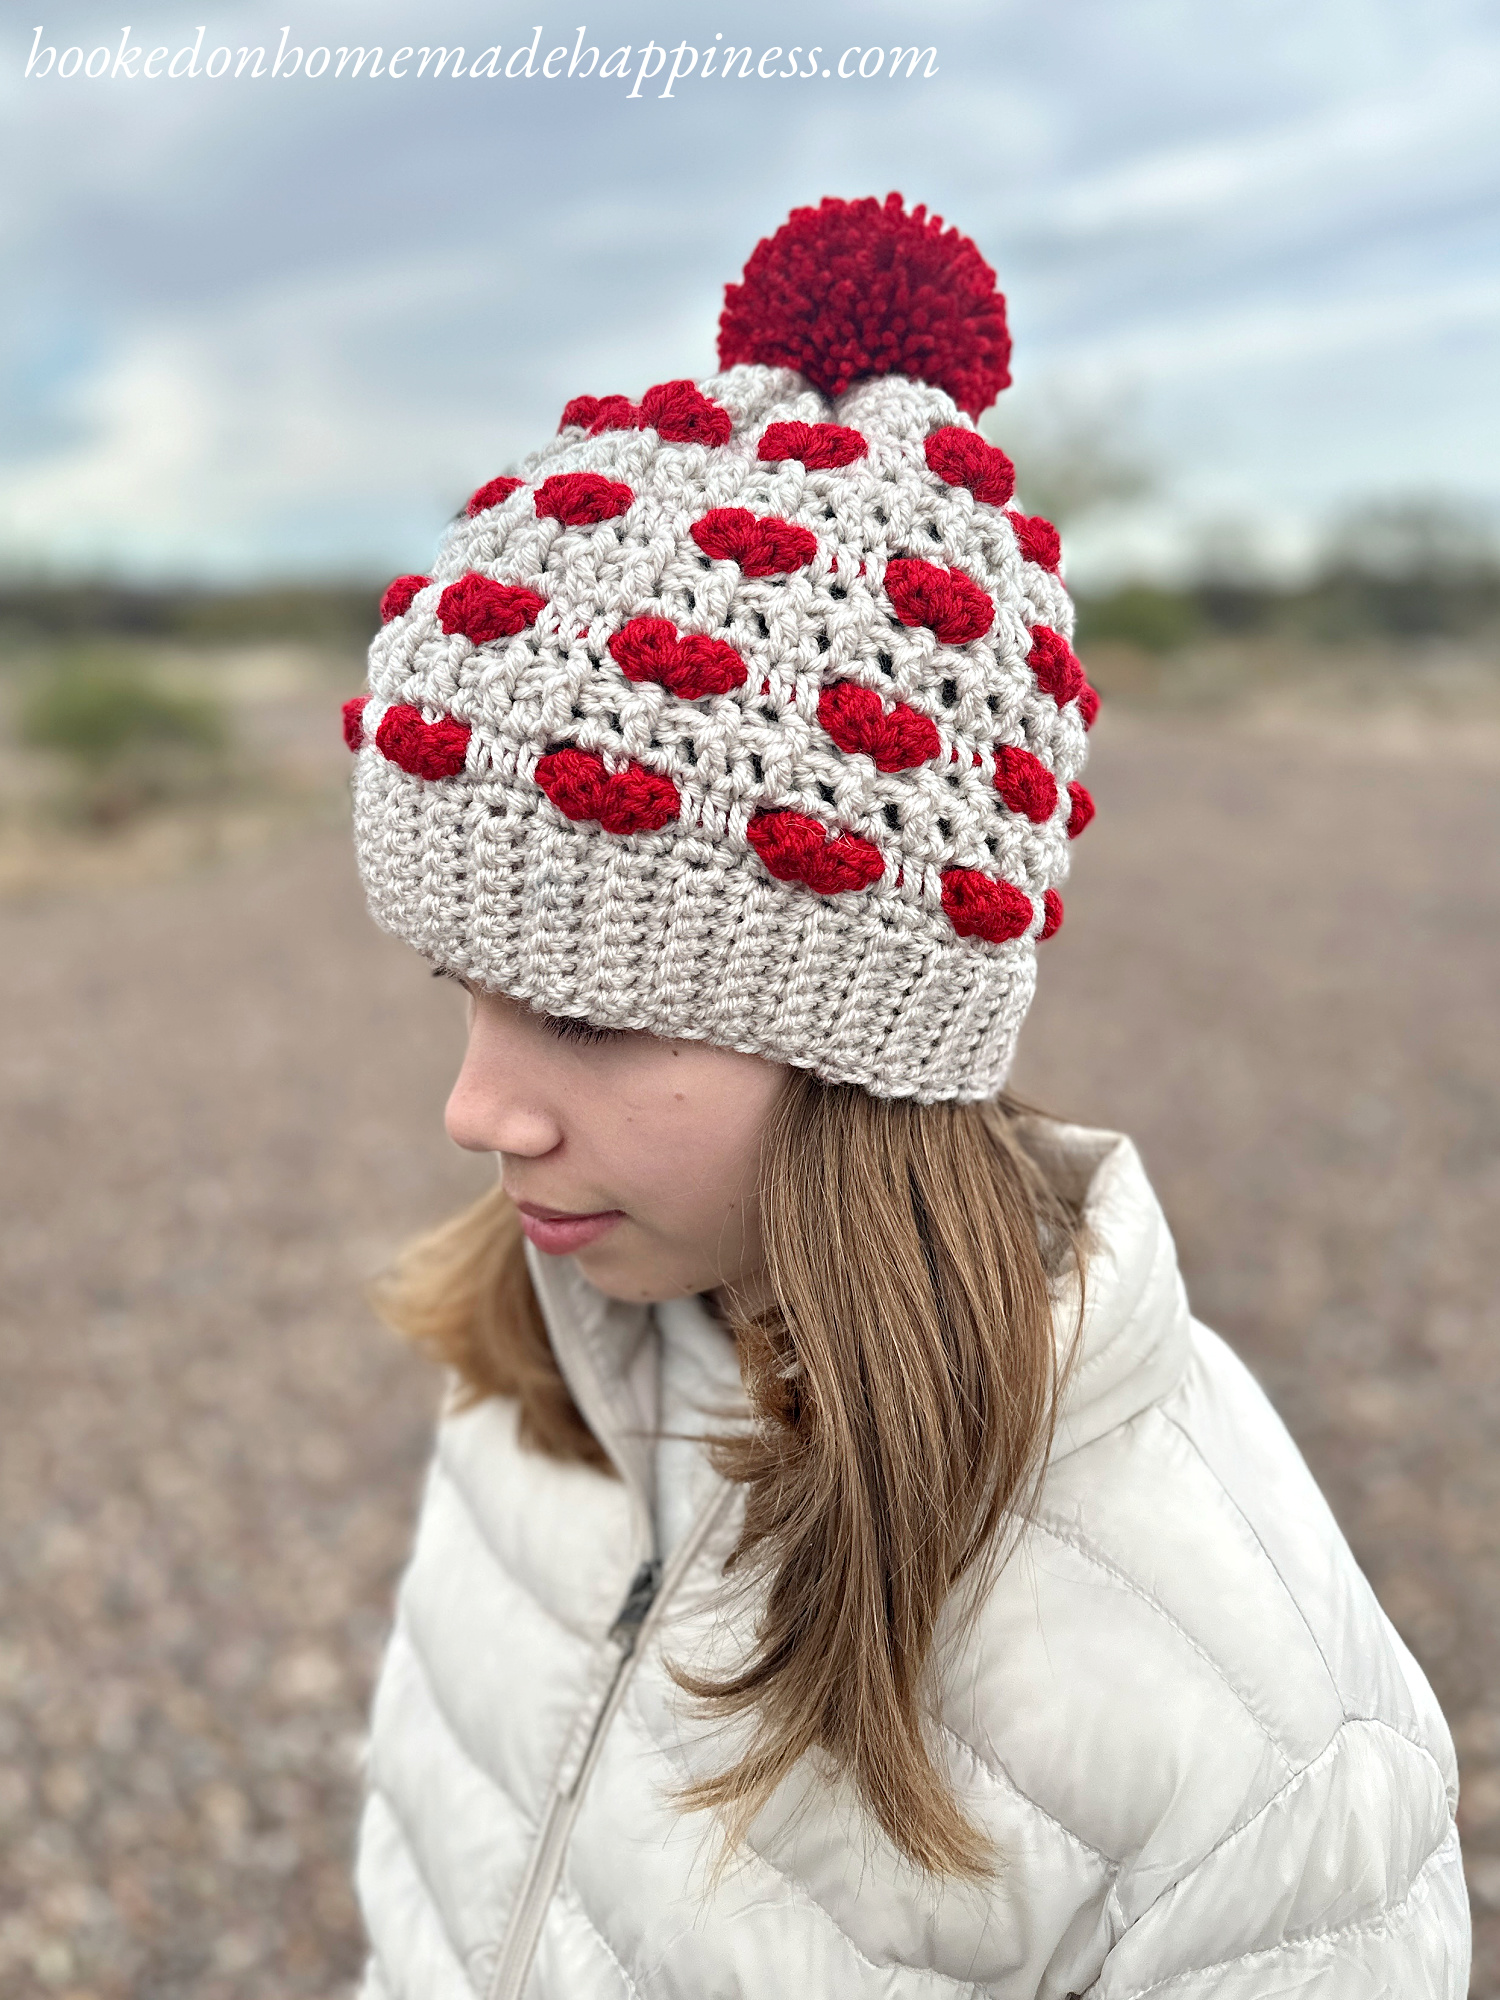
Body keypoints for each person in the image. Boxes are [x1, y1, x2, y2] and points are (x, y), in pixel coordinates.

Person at [342, 195, 1470, 1997]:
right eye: (460, 997)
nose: (480, 1113)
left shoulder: (1251, 1730)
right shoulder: (549, 1375)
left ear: (876, 1041)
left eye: (597, 1020)